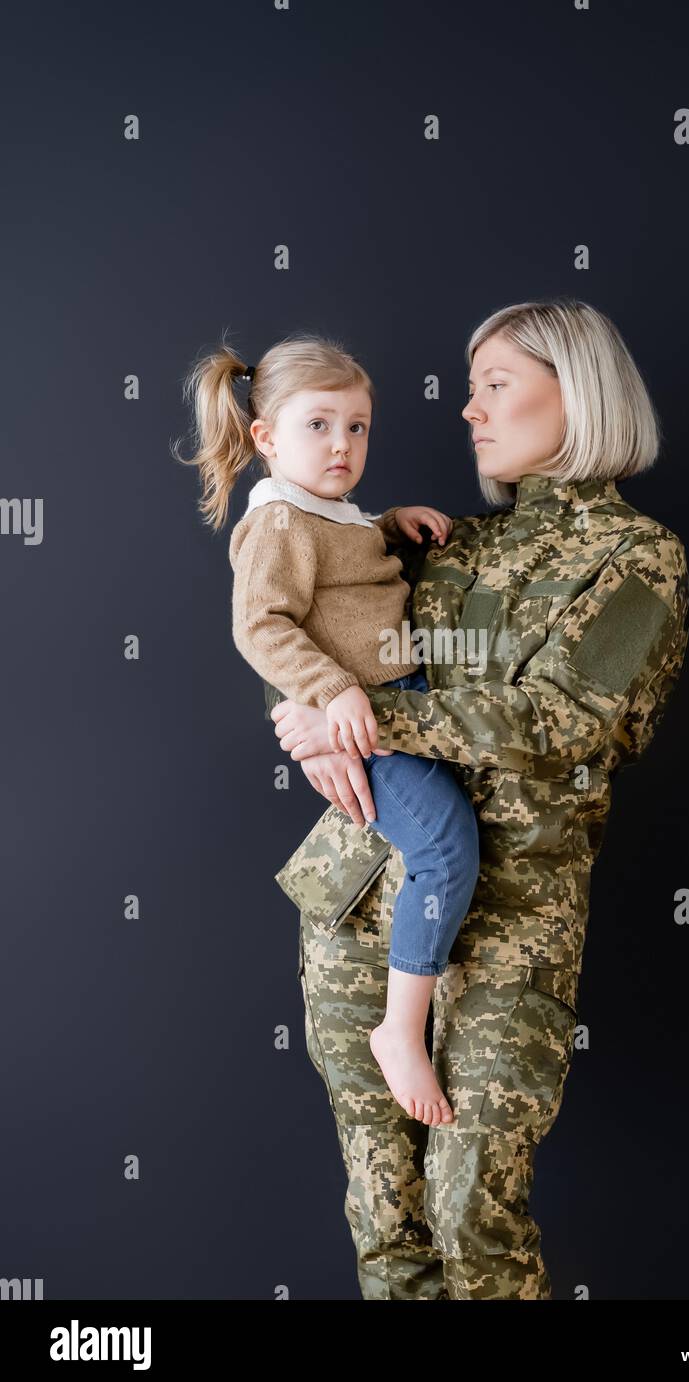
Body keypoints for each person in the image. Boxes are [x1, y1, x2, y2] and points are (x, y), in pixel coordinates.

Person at [273, 298, 689, 1300]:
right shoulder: (447, 543)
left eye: (494, 385)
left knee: (471, 1213)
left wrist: (363, 714)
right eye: (471, 390)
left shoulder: (639, 558)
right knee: (387, 1221)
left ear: (577, 393)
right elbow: (304, 613)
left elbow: (566, 723)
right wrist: (299, 709)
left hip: (510, 926)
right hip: (358, 897)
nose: (467, 410)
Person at [173, 334, 481, 1124]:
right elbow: (262, 626)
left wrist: (388, 521)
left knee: (449, 833)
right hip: (368, 714)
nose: (342, 445)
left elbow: (343, 560)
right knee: (444, 846)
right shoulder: (278, 521)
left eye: (358, 427)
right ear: (265, 437)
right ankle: (400, 1029)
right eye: (318, 426)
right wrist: (329, 689)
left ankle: (408, 1013)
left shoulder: (326, 510)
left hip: (396, 697)